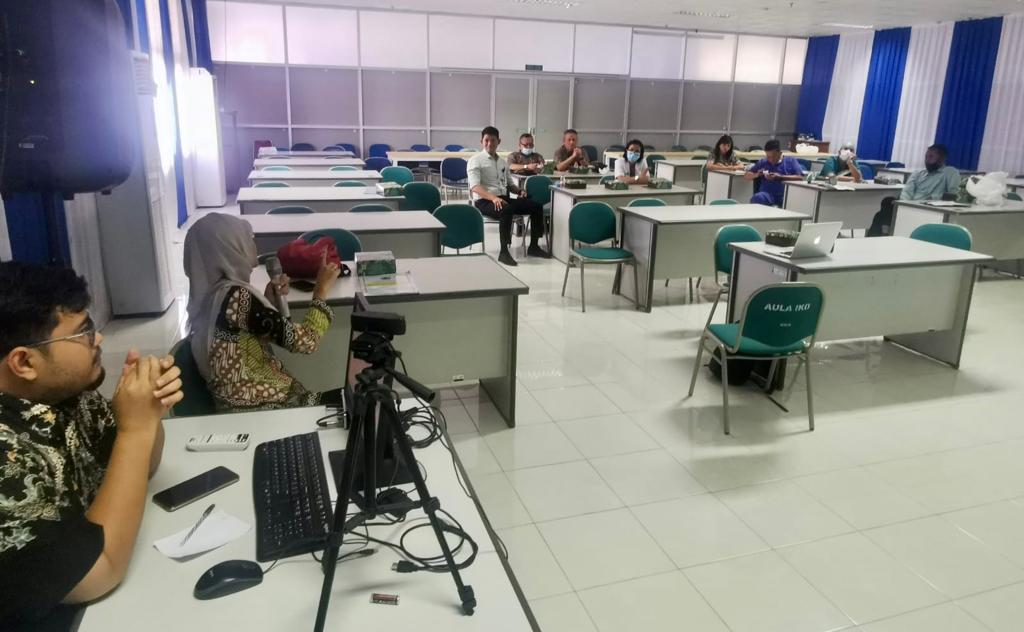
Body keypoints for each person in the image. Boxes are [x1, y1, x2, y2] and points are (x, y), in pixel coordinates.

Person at [0, 262, 183, 630]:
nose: (98, 339)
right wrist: (135, 430)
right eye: (82, 333)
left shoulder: (65, 395)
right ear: (24, 362)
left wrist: (150, 409)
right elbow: (98, 570)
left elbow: (142, 467)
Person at [183, 212, 342, 411]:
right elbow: (307, 342)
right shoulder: (237, 296)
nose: (254, 244)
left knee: (359, 399)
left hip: (243, 405)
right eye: (248, 238)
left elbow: (244, 338)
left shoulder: (212, 296)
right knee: (360, 401)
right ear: (233, 247)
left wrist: (267, 301)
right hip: (267, 408)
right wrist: (320, 291)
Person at [468, 126, 551, 267]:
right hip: (484, 201)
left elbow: (510, 184)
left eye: (493, 140)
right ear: (481, 141)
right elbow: (475, 187)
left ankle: (534, 246)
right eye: (486, 140)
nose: (489, 143)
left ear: (498, 141)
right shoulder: (475, 160)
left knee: (536, 206)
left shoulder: (502, 162)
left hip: (502, 198)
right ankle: (504, 252)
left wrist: (519, 191)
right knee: (506, 209)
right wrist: (493, 198)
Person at [867, 144, 960, 236]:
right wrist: (904, 205)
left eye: (931, 157)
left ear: (941, 159)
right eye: (926, 157)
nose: (927, 160)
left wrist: (936, 200)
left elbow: (952, 194)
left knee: (884, 212)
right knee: (886, 204)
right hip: (910, 204)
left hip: (931, 208)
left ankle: (883, 233)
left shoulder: (950, 172)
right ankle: (877, 236)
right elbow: (907, 190)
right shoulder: (918, 173)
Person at [745, 139, 805, 206]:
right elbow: (747, 176)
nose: (771, 160)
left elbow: (800, 177)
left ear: (780, 153)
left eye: (773, 157)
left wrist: (780, 177)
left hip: (784, 195)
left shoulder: (791, 161)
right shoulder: (763, 162)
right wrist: (758, 174)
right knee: (758, 197)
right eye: (768, 157)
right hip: (767, 195)